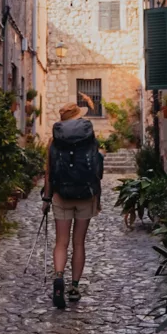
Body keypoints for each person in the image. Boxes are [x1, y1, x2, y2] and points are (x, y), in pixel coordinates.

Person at [42, 102, 103, 309]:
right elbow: (97, 168)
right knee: (79, 243)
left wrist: (47, 199)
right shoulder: (90, 139)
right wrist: (97, 197)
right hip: (86, 195)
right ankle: (75, 287)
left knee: (61, 242)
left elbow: (49, 172)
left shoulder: (54, 141)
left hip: (61, 195)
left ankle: (59, 277)